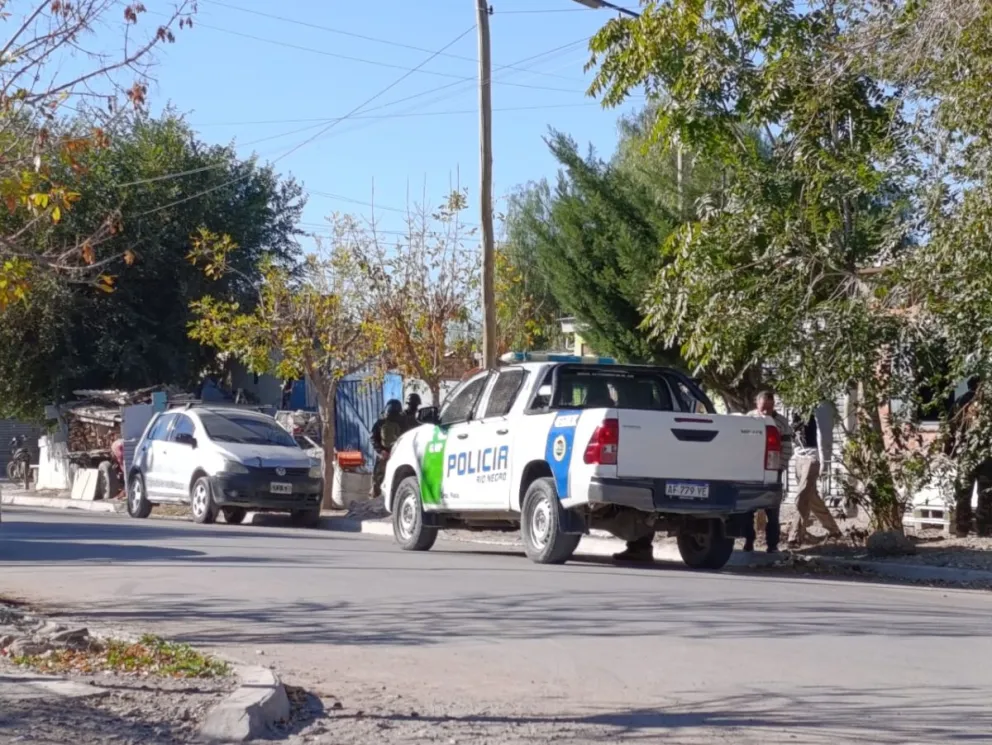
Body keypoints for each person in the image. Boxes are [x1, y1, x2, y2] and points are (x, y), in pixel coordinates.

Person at [744, 391, 793, 553]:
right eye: (763, 408)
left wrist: (780, 467)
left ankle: (772, 545)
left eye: (769, 408)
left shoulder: (781, 423)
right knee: (747, 510)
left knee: (772, 511)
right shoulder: (749, 419)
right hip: (750, 470)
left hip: (773, 471)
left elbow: (787, 448)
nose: (766, 412)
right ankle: (748, 542)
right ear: (757, 404)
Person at [786, 411, 842, 546]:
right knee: (811, 497)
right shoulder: (796, 411)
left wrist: (822, 461)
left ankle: (795, 536)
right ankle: (834, 530)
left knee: (802, 497)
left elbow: (822, 436)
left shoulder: (816, 413)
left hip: (812, 458)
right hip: (799, 457)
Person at [370, 399, 404, 500]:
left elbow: (372, 438)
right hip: (387, 455)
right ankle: (377, 499)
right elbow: (373, 438)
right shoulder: (381, 423)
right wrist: (381, 451)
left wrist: (380, 451)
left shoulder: (381, 423)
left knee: (380, 479)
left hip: (391, 455)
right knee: (378, 479)